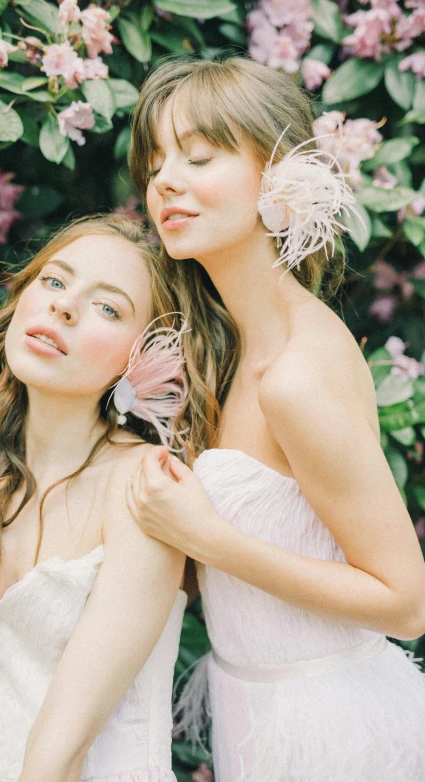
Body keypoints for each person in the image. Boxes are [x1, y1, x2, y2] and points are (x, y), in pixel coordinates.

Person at [125, 56, 425, 782]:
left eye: (198, 156)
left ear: (280, 175)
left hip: (333, 733)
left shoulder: (295, 374)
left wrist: (207, 538)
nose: (165, 180)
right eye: (156, 161)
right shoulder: (229, 345)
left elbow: (405, 601)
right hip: (255, 712)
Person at [0, 214, 193, 782]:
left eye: (107, 307)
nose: (63, 307)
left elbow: (59, 752)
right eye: (54, 282)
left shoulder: (145, 489)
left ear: (140, 358)